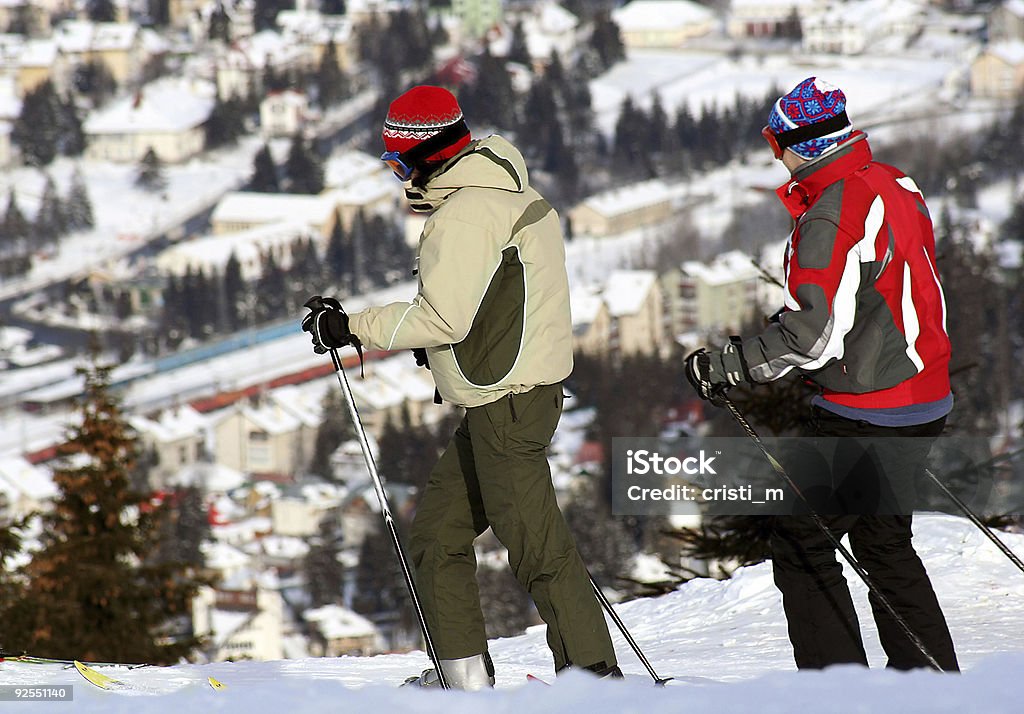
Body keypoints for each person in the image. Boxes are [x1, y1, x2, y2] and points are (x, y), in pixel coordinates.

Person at [302, 85, 619, 689]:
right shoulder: (495, 188)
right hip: (505, 400)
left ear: (424, 155)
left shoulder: (467, 213)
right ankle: (463, 679)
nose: (398, 177)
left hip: (508, 405)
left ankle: (595, 684)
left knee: (535, 548)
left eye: (397, 162)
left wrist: (352, 326)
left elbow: (446, 315)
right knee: (438, 536)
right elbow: (498, 298)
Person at [684, 77, 960, 672]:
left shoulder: (831, 214)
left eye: (775, 142)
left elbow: (813, 336)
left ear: (802, 144)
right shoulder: (891, 183)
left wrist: (729, 362)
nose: (772, 155)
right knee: (884, 543)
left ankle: (838, 694)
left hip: (871, 406)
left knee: (802, 539)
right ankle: (932, 687)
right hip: (921, 391)